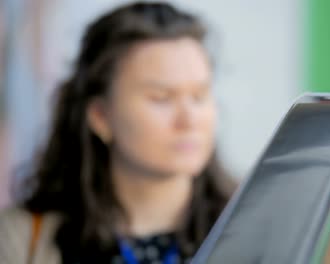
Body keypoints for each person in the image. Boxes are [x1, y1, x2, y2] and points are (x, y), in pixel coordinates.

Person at [0, 2, 236, 263]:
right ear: (100, 116)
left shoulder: (258, 221)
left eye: (199, 96)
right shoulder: (21, 240)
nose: (189, 120)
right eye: (161, 98)